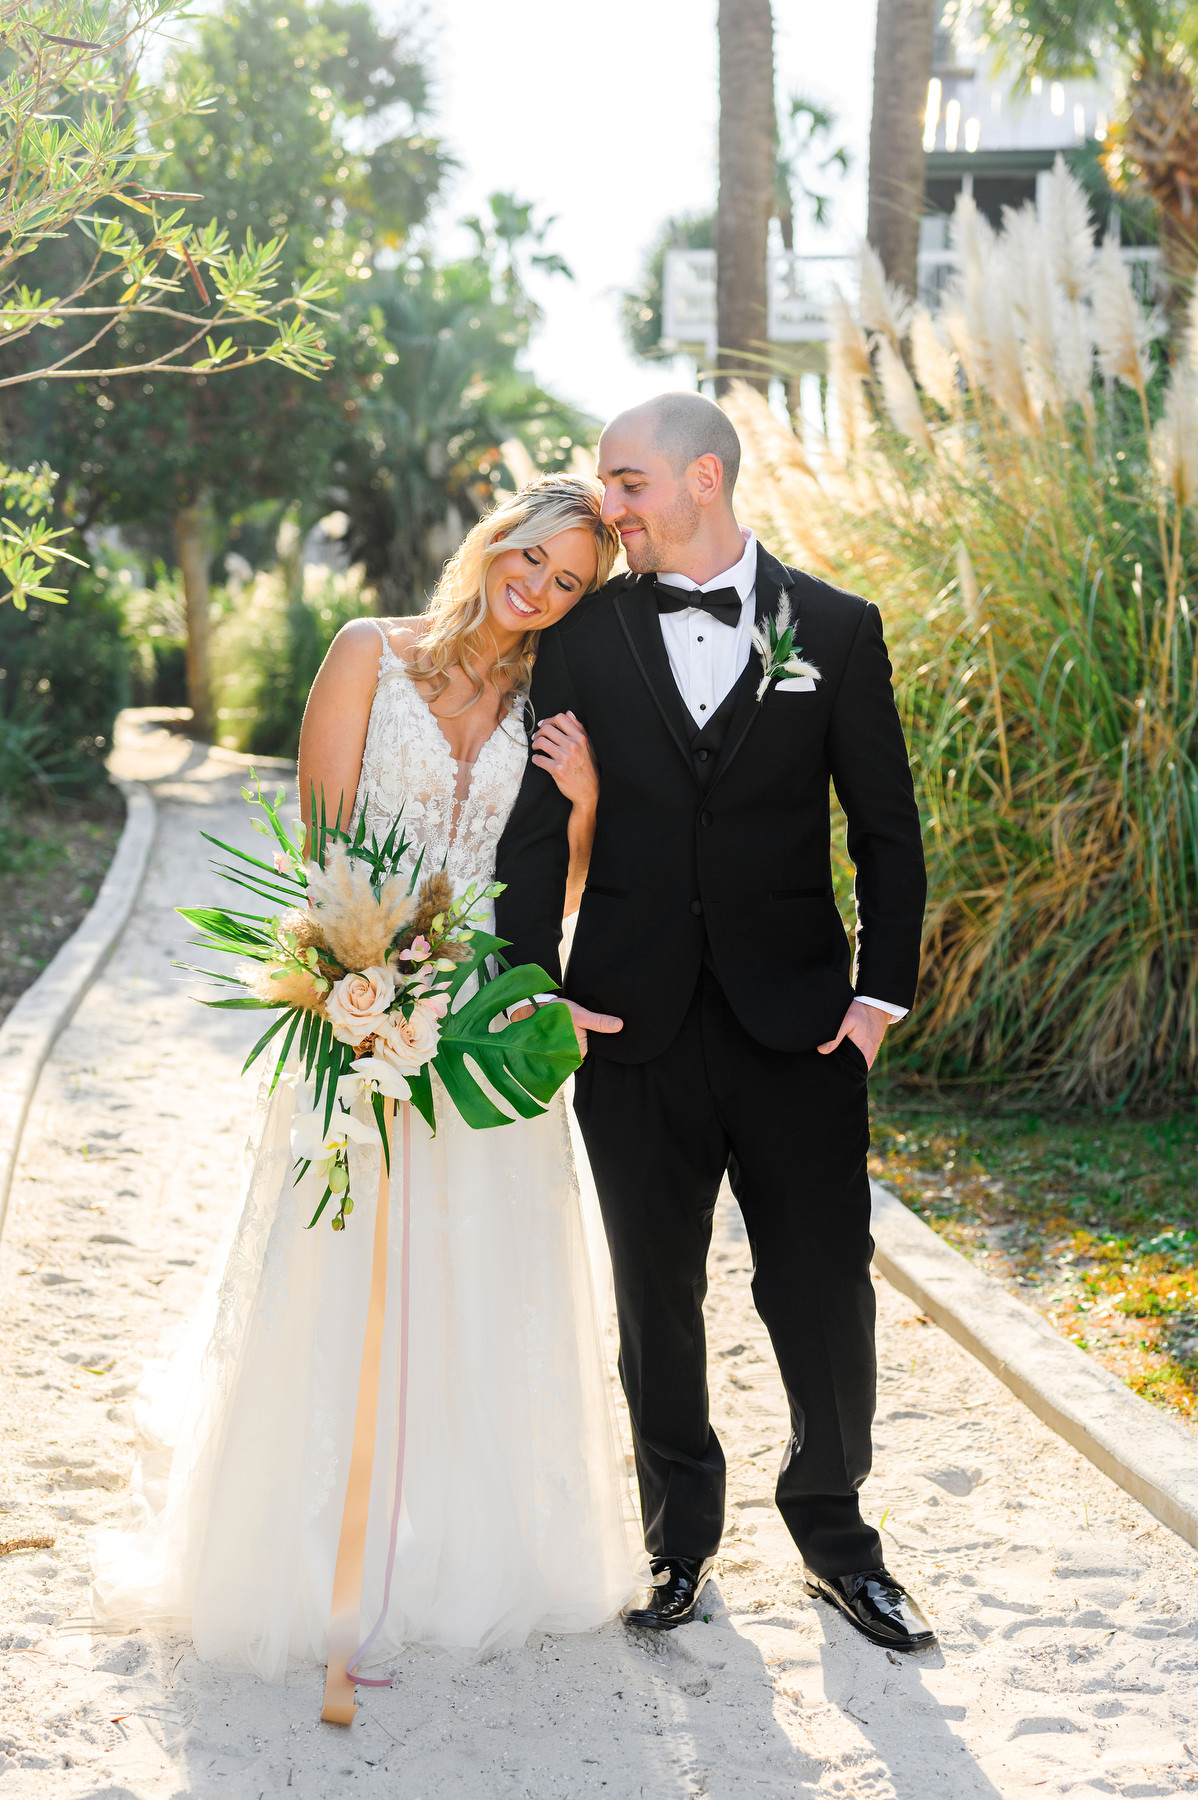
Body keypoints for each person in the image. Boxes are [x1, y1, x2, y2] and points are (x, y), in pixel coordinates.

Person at [91, 475, 642, 1682]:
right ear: (496, 537)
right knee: (337, 1268)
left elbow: (547, 885)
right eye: (532, 558)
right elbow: (319, 846)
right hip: (356, 1010)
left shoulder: (546, 705)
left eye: (566, 585)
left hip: (474, 1028)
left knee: (477, 1278)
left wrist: (588, 804)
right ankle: (313, 1553)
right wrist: (365, 985)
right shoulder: (367, 653)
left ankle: (455, 1552)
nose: (537, 590)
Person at [495, 395, 936, 1653]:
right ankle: (677, 1545)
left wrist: (877, 997)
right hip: (626, 1023)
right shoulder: (584, 636)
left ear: (701, 478)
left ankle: (839, 1541)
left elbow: (886, 828)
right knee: (655, 1298)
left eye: (625, 483)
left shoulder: (838, 630)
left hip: (800, 1027)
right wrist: (535, 985)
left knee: (821, 1289)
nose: (607, 507)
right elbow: (537, 827)